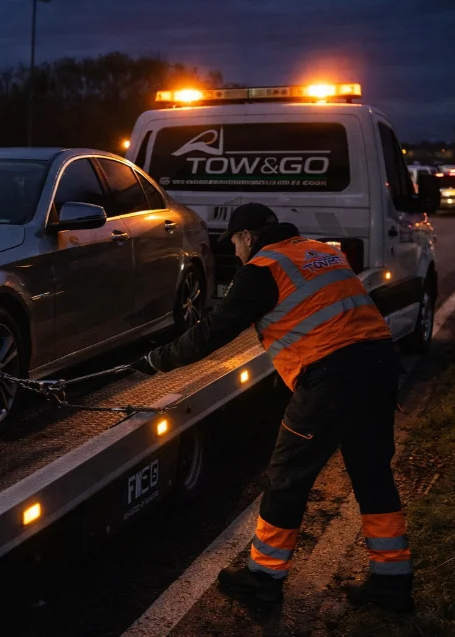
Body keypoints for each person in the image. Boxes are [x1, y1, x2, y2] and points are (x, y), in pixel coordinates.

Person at [132, 202, 413, 612]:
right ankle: (393, 581)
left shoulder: (262, 269)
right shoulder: (322, 252)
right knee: (372, 473)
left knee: (287, 478)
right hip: (380, 366)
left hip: (331, 380)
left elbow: (212, 332)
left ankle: (263, 580)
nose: (236, 252)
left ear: (246, 236)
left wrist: (157, 360)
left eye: (235, 243)